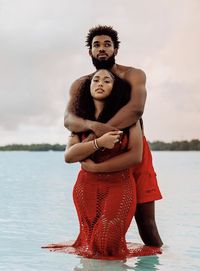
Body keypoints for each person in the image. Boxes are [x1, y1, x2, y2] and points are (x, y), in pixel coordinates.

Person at [42, 69, 161, 259]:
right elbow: (69, 156)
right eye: (95, 80)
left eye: (107, 81)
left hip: (119, 185)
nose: (100, 83)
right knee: (91, 245)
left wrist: (96, 167)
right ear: (88, 89)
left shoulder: (129, 120)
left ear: (115, 89)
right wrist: (99, 142)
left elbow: (135, 157)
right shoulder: (80, 120)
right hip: (86, 187)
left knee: (106, 242)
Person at [64, 25, 163, 247]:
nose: (102, 49)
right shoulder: (82, 83)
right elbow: (68, 120)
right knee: (98, 226)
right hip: (97, 151)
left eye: (107, 44)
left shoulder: (133, 75)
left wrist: (97, 134)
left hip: (130, 146)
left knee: (147, 224)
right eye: (96, 45)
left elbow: (136, 110)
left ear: (116, 49)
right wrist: (94, 131)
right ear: (90, 51)